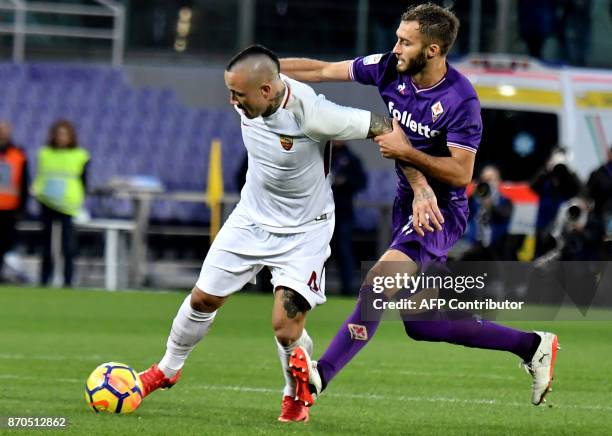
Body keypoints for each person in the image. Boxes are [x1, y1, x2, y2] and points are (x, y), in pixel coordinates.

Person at [280, 2, 559, 410]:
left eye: (405, 42)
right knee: (423, 324)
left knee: (378, 283)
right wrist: (266, 70)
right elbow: (323, 70)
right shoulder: (390, 68)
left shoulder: (461, 100)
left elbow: (462, 174)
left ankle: (321, 375)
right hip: (405, 204)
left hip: (439, 213)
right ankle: (533, 345)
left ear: (432, 50)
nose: (395, 47)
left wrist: (408, 153)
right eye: (397, 37)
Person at [136, 45, 407, 423]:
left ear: (266, 91)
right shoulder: (253, 93)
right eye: (230, 92)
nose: (232, 102)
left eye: (238, 95)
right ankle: (167, 369)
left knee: (285, 326)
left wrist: (422, 189)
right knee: (202, 300)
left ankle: (295, 394)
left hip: (304, 232)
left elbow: (385, 127)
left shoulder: (315, 115)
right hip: (250, 219)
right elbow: (276, 68)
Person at [32, 120, 89, 287]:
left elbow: (84, 181)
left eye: (64, 134)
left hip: (67, 204)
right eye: (58, 134)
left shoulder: (80, 155)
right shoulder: (44, 153)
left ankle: (68, 281)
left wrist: (79, 201)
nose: (61, 138)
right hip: (47, 201)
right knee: (46, 245)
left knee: (68, 246)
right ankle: (44, 280)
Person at [330, 140, 367, 295]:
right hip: (319, 213)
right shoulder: (322, 154)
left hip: (343, 211)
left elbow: (362, 182)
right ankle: (313, 287)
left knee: (344, 250)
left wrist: (345, 181)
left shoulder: (351, 158)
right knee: (318, 251)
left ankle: (348, 288)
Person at [462, 165, 513, 260]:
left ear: (498, 181)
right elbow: (462, 214)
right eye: (484, 180)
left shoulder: (505, 201)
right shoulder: (474, 200)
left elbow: (503, 216)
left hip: (496, 250)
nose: (487, 183)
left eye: (490, 180)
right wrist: (471, 195)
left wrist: (490, 204)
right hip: (473, 246)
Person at [0, 121, 28, 281]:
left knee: (6, 244)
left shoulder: (18, 154)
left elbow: (24, 182)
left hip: (10, 208)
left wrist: (21, 207)